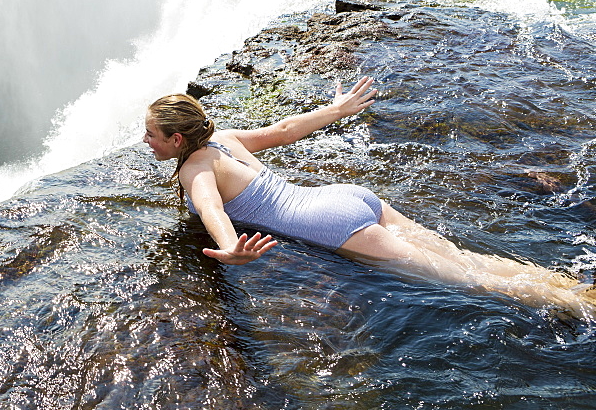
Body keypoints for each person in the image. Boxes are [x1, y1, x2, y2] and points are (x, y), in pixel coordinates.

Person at [144, 77, 595, 318]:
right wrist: (336, 110)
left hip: (329, 224)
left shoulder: (196, 169)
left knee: (467, 280)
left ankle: (576, 305)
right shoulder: (224, 138)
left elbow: (212, 208)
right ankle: (571, 289)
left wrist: (229, 249)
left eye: (151, 134)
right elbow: (284, 131)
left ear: (178, 138)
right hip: (348, 198)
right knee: (463, 258)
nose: (146, 141)